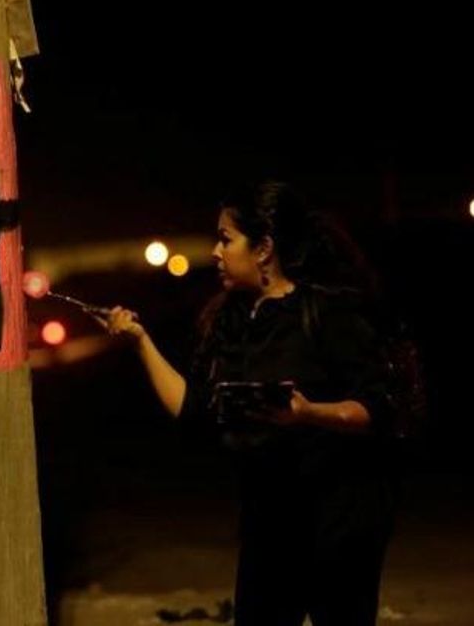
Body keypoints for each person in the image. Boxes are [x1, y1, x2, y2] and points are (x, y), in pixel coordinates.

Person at [102, 181, 397, 626]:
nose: (216, 252)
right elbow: (194, 409)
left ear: (262, 249)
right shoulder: (229, 320)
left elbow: (377, 407)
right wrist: (140, 342)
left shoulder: (325, 314)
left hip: (340, 524)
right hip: (269, 526)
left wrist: (307, 413)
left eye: (226, 238)